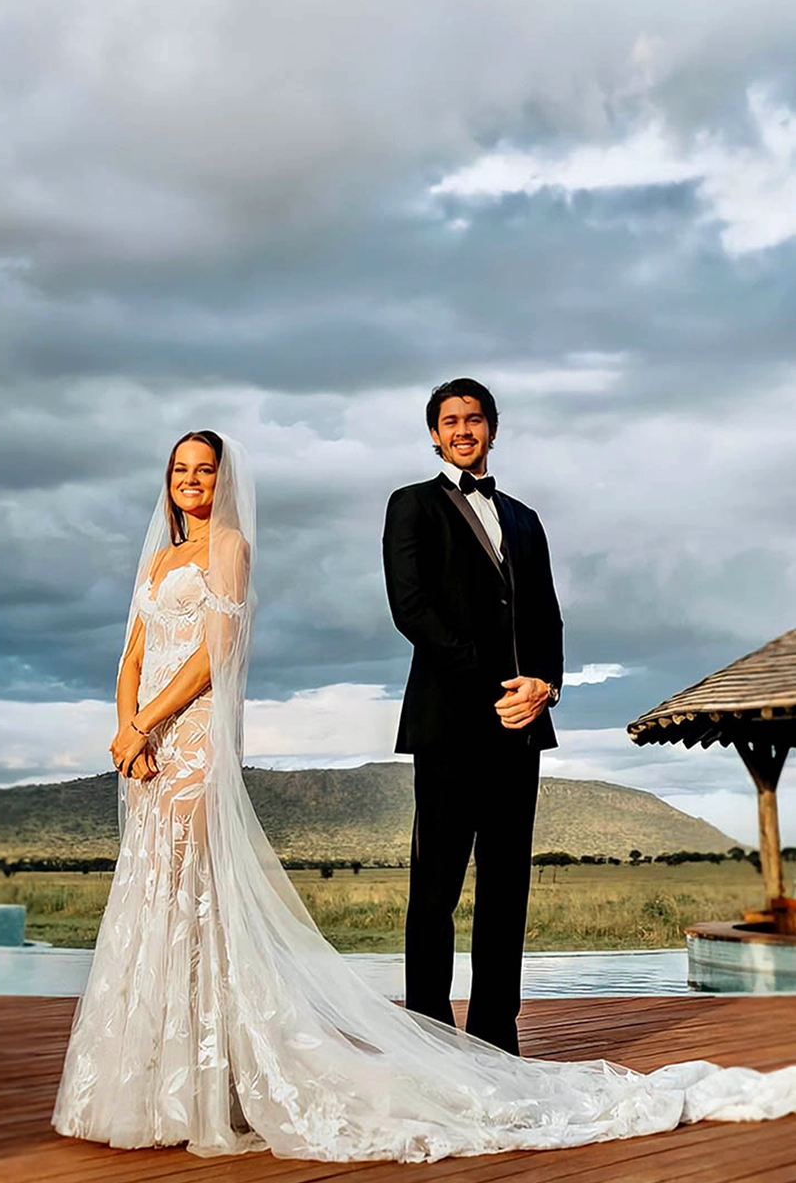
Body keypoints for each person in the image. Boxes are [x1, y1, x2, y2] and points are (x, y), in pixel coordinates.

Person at [53, 428, 796, 1162]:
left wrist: (543, 684)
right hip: (158, 747)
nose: (192, 480)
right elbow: (137, 654)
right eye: (182, 469)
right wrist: (129, 731)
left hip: (201, 743)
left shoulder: (234, 550)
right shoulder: (172, 557)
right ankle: (158, 1080)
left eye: (205, 469)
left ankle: (451, 1053)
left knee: (209, 895)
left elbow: (215, 653)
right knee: (161, 898)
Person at [382, 378, 562, 1055]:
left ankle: (496, 1037)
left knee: (507, 888)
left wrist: (545, 685)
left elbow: (546, 614)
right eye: (450, 420)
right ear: (434, 433)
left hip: (522, 727)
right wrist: (499, 685)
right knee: (436, 889)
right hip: (450, 721)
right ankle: (429, 1036)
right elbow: (413, 609)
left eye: (474, 418)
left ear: (491, 428)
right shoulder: (412, 506)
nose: (463, 429)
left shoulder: (524, 518)